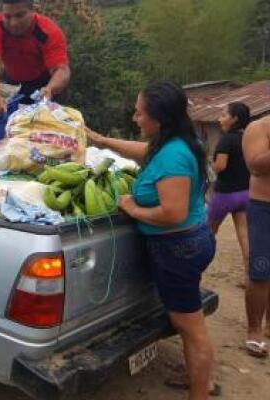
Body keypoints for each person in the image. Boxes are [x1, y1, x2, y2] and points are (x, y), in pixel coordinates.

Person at [87, 82, 217, 400]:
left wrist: (131, 206)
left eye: (139, 112)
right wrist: (101, 140)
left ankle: (202, 391)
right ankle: (198, 377)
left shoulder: (173, 155)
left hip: (178, 248)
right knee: (185, 318)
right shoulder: (177, 142)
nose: (134, 117)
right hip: (190, 242)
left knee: (190, 327)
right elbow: (144, 152)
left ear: (159, 119)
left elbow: (172, 213)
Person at [0, 0, 70, 115]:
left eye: (19, 15)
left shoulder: (48, 31)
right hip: (12, 82)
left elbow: (62, 70)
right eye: (7, 16)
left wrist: (50, 89)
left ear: (33, 11)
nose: (13, 23)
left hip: (44, 84)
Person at [208, 103, 251, 287]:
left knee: (207, 232)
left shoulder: (226, 140)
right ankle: (250, 277)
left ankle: (194, 271)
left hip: (225, 195)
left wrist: (211, 162)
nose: (220, 118)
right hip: (246, 193)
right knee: (245, 235)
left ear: (234, 119)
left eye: (224, 115)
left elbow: (220, 166)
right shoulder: (249, 139)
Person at [242, 116, 270, 358]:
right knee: (261, 271)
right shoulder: (259, 127)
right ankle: (254, 329)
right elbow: (255, 166)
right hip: (265, 207)